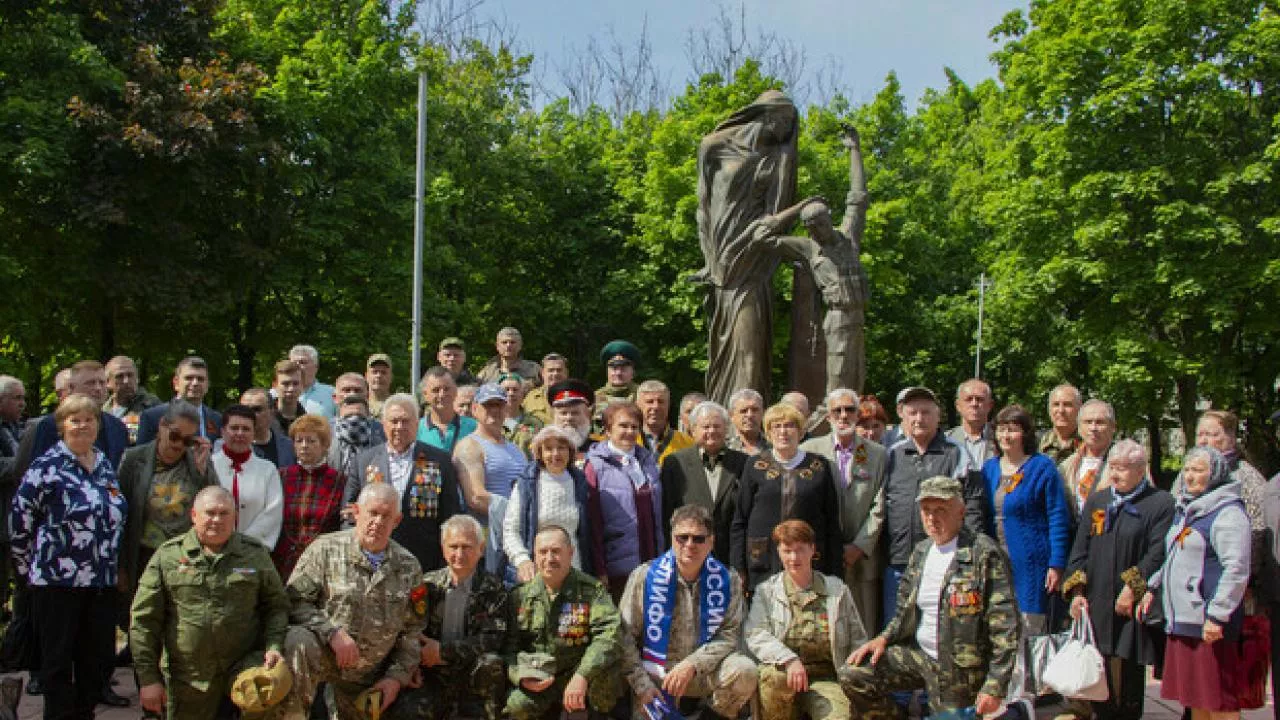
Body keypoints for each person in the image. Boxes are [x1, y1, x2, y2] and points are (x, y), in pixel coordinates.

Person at [844, 477, 1019, 720]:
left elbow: (1006, 627)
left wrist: (995, 685)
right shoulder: (921, 552)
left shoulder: (984, 554)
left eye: (940, 510)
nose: (932, 518)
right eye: (926, 511)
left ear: (961, 512)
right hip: (920, 655)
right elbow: (903, 610)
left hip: (960, 670)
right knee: (855, 674)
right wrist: (883, 638)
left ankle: (1014, 713)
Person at [10, 394, 128, 720]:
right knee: (57, 664)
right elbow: (20, 522)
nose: (82, 425)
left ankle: (85, 714)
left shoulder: (103, 463)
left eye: (89, 419)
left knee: (96, 662)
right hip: (56, 582)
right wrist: (27, 571)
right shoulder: (45, 467)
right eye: (75, 420)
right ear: (62, 426)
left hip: (101, 581)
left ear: (97, 425)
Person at [130, 486, 290, 720]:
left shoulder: (254, 554)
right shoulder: (168, 556)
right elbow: (143, 622)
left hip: (244, 676)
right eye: (210, 513)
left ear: (235, 517)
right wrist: (148, 680)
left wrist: (274, 646)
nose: (217, 519)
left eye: (224, 513)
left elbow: (276, 606)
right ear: (194, 516)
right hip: (189, 683)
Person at [278, 483, 424, 719]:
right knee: (297, 640)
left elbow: (412, 632)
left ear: (396, 521)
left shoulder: (408, 566)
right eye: (372, 513)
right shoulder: (324, 549)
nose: (377, 522)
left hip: (370, 674)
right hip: (326, 656)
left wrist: (395, 679)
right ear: (356, 512)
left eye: (386, 516)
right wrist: (332, 633)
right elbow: (295, 601)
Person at [694, 89, 802, 405]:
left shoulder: (780, 158)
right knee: (723, 342)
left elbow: (776, 216)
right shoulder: (713, 146)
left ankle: (747, 412)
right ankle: (722, 415)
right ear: (763, 113)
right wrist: (708, 258)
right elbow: (703, 206)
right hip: (720, 260)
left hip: (753, 259)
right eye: (783, 119)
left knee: (750, 345)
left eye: (791, 123)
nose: (787, 128)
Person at [1062, 439, 1174, 720]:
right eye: (1112, 467)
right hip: (1096, 601)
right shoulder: (1099, 500)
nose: (1115, 474)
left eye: (1123, 468)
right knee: (1096, 680)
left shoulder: (1159, 503)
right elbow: (1080, 547)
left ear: (1140, 470)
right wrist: (1076, 591)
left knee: (1126, 681)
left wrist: (1133, 588)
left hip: (1129, 608)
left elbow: (1157, 551)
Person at [1138, 446, 1251, 720]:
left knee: (1219, 701)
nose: (1189, 476)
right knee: (1196, 699)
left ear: (1216, 474)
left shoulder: (1227, 513)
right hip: (1183, 622)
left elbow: (1236, 568)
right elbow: (1173, 556)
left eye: (1198, 470)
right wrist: (1152, 588)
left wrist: (1218, 615)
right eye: (1186, 469)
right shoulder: (1186, 509)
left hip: (1209, 622)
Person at [620, 505, 757, 720]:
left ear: (711, 542)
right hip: (657, 674)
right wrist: (642, 685)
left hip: (704, 671)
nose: (689, 545)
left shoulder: (727, 580)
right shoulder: (644, 577)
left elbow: (730, 634)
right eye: (682, 537)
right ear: (672, 538)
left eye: (698, 539)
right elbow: (624, 636)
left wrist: (693, 664)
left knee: (745, 670)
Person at [881, 386, 985, 625]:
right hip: (899, 563)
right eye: (913, 413)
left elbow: (973, 506)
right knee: (895, 628)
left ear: (938, 416)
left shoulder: (956, 453)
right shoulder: (891, 455)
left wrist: (967, 556)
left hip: (943, 561)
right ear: (902, 416)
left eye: (926, 412)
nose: (919, 419)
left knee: (940, 627)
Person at [389, 515, 510, 720]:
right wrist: (411, 665)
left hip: (471, 672)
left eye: (467, 547)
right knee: (405, 711)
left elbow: (493, 639)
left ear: (481, 549)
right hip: (431, 673)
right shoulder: (427, 585)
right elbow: (409, 629)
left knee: (492, 662)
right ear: (443, 548)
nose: (459, 554)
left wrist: (443, 651)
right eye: (453, 546)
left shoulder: (494, 589)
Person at [745, 519, 866, 720]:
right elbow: (755, 633)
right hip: (784, 678)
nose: (794, 557)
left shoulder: (838, 591)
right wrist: (789, 659)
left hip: (825, 679)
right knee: (775, 678)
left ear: (812, 549)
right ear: (779, 552)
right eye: (787, 550)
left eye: (800, 549)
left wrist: (853, 680)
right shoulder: (766, 592)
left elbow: (858, 640)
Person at [503, 526, 622, 720]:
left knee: (604, 686)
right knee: (517, 707)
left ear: (570, 553)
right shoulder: (519, 597)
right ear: (534, 555)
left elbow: (609, 636)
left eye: (556, 551)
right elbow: (508, 649)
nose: (549, 558)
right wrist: (521, 677)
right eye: (543, 552)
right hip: (539, 677)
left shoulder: (591, 591)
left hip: (580, 677)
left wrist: (582, 675)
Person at [343, 393, 462, 572]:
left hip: (423, 561)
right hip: (370, 562)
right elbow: (348, 514)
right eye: (394, 421)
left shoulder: (440, 461)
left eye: (406, 421)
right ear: (383, 424)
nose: (400, 427)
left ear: (417, 423)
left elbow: (450, 516)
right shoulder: (364, 461)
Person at [800, 388, 888, 630]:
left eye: (849, 409)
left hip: (862, 555)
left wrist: (860, 546)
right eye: (836, 410)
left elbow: (879, 505)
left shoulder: (877, 454)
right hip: (822, 554)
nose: (843, 415)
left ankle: (862, 668)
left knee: (863, 623)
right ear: (827, 417)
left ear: (858, 414)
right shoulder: (810, 451)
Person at [731, 402, 843, 590]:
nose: (783, 432)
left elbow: (832, 520)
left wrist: (835, 570)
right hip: (764, 559)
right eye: (777, 426)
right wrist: (739, 567)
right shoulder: (754, 465)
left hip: (809, 560)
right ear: (768, 433)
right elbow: (740, 519)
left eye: (790, 425)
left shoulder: (819, 466)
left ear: (800, 432)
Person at [980, 405, 1070, 634]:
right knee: (998, 625)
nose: (1005, 436)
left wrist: (1057, 563)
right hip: (996, 560)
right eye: (1001, 430)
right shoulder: (989, 469)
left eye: (1012, 430)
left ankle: (1030, 671)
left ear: (1026, 434)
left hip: (1031, 562)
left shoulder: (1042, 467)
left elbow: (1058, 516)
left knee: (1028, 625)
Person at [118, 400, 218, 604]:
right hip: (143, 556)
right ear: (162, 426)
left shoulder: (197, 461)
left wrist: (202, 472)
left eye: (187, 440)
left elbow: (214, 504)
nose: (178, 444)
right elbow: (120, 516)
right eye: (174, 436)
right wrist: (120, 566)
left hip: (183, 559)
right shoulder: (133, 459)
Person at [584, 401, 664, 599]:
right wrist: (600, 569)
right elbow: (593, 523)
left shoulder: (647, 462)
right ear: (608, 430)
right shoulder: (594, 465)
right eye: (623, 425)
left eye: (634, 426)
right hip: (617, 567)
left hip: (651, 561)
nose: (629, 431)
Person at [503, 426, 595, 582]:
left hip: (574, 572)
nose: (555, 454)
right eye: (549, 449)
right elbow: (510, 529)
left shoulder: (580, 482)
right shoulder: (527, 484)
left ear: (570, 451)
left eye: (561, 448)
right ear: (539, 453)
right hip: (537, 574)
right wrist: (522, 560)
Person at [661, 400, 748, 563]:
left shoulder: (743, 463)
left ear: (726, 429)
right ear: (693, 430)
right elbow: (667, 512)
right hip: (688, 553)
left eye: (717, 426)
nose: (712, 431)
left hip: (730, 553)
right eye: (706, 427)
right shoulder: (675, 463)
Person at [16, 360, 130, 474]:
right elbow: (37, 473)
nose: (98, 388)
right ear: (72, 388)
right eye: (90, 383)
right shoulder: (51, 425)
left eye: (102, 382)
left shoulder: (118, 427)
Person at [273, 414, 345, 579]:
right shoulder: (282, 476)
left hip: (324, 560)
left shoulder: (339, 480)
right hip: (284, 560)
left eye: (311, 441)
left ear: (325, 445)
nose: (304, 446)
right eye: (299, 441)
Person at [211, 405, 283, 549]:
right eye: (234, 428)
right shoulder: (209, 465)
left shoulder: (267, 470)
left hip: (253, 551)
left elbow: (273, 512)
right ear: (223, 432)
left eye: (246, 429)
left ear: (253, 434)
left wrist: (244, 543)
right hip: (214, 548)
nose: (240, 433)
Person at [453, 383, 525, 517]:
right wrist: (519, 515)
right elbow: (476, 498)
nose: (494, 409)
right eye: (488, 405)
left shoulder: (516, 450)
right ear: (474, 409)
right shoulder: (469, 446)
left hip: (516, 530)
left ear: (506, 409)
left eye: (499, 405)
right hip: (487, 531)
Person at [136, 356, 222, 444]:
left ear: (207, 385)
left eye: (200, 379)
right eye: (189, 378)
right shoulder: (152, 417)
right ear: (176, 383)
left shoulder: (217, 420)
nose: (195, 383)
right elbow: (141, 456)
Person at [1059, 398, 1117, 523]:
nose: (1093, 428)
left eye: (1100, 422)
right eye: (1088, 422)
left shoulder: (1129, 462)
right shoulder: (1066, 467)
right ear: (1079, 428)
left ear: (1113, 427)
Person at [417, 366, 477, 453]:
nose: (442, 394)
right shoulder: (416, 429)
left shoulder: (474, 427)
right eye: (436, 390)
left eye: (447, 389)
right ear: (425, 395)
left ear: (455, 391)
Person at [103, 355, 160, 445]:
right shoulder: (102, 411)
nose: (126, 381)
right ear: (107, 382)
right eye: (119, 376)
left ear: (137, 378)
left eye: (130, 375)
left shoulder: (152, 406)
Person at [637, 379, 695, 465]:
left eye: (661, 402)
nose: (656, 407)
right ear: (637, 405)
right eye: (649, 402)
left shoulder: (687, 443)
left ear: (668, 405)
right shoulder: (627, 441)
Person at [328, 394, 381, 485]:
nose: (354, 419)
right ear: (338, 418)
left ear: (368, 416)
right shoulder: (328, 440)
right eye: (348, 415)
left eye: (358, 415)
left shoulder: (379, 440)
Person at [948, 379, 997, 474]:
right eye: (968, 399)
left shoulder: (1002, 439)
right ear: (958, 406)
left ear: (990, 405)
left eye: (980, 399)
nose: (974, 404)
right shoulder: (946, 441)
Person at [239, 388, 295, 468]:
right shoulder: (229, 447)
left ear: (272, 411)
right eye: (244, 409)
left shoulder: (290, 447)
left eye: (256, 409)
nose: (250, 414)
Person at [548, 378, 599, 461]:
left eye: (575, 413)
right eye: (563, 413)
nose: (569, 418)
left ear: (588, 415)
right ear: (553, 416)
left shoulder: (601, 449)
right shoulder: (543, 449)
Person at [594, 340, 640, 421]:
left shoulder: (642, 396)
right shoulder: (594, 397)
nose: (618, 373)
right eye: (614, 368)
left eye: (624, 368)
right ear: (607, 371)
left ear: (633, 372)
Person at [476, 327, 541, 385]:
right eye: (504, 342)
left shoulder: (534, 369)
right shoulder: (486, 373)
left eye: (512, 342)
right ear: (497, 346)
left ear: (520, 345)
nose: (508, 345)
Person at [499, 373, 542, 456]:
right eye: (506, 390)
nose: (511, 393)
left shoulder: (535, 422)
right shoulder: (491, 422)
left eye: (515, 390)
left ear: (522, 394)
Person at [288, 344, 336, 417]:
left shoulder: (331, 393)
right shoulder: (276, 394)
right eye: (294, 363)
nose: (297, 366)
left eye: (302, 362)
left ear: (316, 367)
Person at [1039, 384, 1083, 463]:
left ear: (1079, 409)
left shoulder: (1090, 443)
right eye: (1056, 404)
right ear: (1049, 409)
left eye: (1067, 405)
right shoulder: (1035, 443)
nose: (1061, 410)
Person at [521, 353, 568, 426]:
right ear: (543, 373)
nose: (555, 374)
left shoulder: (575, 397)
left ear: (566, 373)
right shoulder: (530, 398)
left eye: (559, 370)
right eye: (551, 370)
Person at [727, 388, 770, 456]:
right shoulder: (722, 446)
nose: (750, 415)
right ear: (731, 416)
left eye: (755, 410)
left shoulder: (774, 445)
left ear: (763, 413)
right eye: (744, 411)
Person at [271, 359, 306, 432]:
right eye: (285, 384)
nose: (291, 389)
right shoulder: (264, 421)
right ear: (275, 386)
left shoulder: (309, 423)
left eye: (295, 383)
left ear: (302, 386)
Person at [366, 353, 394, 418]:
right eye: (374, 372)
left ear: (391, 377)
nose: (379, 376)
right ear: (366, 376)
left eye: (383, 372)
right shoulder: (358, 405)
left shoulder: (398, 405)